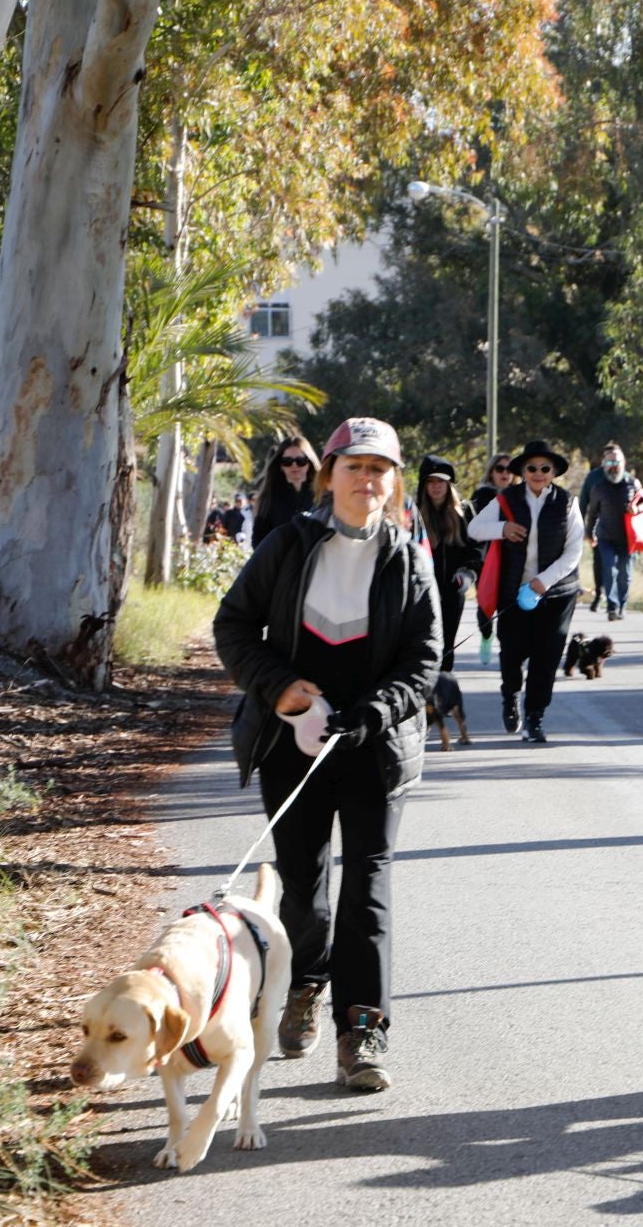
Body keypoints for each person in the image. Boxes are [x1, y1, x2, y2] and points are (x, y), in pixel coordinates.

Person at [212, 416, 441, 1093]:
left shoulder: (408, 558)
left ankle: (362, 1029)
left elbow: (423, 662)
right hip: (293, 745)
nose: (366, 480)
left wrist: (374, 712)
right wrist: (281, 689)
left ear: (393, 482)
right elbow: (232, 626)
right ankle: (305, 985)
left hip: (373, 749)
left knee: (368, 891)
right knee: (305, 891)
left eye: (379, 469)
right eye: (354, 467)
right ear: (328, 474)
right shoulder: (288, 545)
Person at [467, 439, 584, 743]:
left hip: (557, 594)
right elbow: (474, 529)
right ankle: (510, 697)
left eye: (545, 468)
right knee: (512, 654)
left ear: (554, 471)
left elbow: (574, 551)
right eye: (532, 468)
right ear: (523, 471)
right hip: (512, 593)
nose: (538, 473)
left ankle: (535, 717)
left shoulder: (567, 502)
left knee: (546, 658)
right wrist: (502, 528)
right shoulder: (506, 500)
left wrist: (545, 580)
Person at [415, 456, 479, 671]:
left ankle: (444, 691)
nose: (436, 487)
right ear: (424, 485)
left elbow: (477, 548)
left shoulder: (464, 512)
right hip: (422, 592)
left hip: (454, 588)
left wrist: (468, 572)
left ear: (449, 484)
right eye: (431, 481)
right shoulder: (413, 514)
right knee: (424, 644)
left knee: (447, 644)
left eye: (441, 481)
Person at [583, 443, 643, 622]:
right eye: (609, 462)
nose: (613, 466)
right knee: (609, 569)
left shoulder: (632, 483)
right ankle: (612, 607)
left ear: (623, 463)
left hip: (628, 539)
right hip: (605, 537)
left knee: (625, 575)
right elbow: (592, 512)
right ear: (604, 465)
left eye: (616, 462)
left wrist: (636, 509)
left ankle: (622, 605)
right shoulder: (598, 487)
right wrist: (589, 533)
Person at [468, 456, 513, 665]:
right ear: (491, 472)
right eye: (500, 468)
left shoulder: (520, 496)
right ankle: (486, 637)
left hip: (512, 559)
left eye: (509, 469)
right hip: (486, 559)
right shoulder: (482, 495)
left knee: (509, 607)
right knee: (485, 606)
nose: (505, 473)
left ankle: (510, 649)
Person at [250, 435, 319, 548]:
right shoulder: (268, 498)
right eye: (287, 461)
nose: (294, 465)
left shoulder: (324, 494)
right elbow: (258, 541)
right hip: (282, 562)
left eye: (300, 461)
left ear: (309, 463)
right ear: (280, 465)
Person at [578, 457, 608, 614]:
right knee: (599, 562)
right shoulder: (593, 477)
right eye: (608, 460)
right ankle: (599, 594)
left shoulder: (626, 477)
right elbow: (583, 501)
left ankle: (615, 600)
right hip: (597, 527)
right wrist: (580, 526)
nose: (612, 464)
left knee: (620, 566)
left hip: (621, 530)